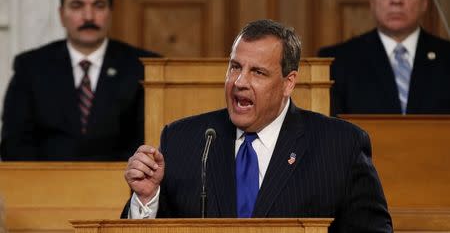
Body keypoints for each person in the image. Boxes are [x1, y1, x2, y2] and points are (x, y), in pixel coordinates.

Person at [122, 19, 393, 233]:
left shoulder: (340, 145)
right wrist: (146, 200)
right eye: (235, 67)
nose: (240, 81)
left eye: (258, 72)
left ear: (288, 82)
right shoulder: (183, 140)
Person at [0, 0, 160, 161]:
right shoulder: (31, 67)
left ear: (110, 12)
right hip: (45, 186)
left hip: (122, 186)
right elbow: (14, 143)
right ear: (61, 14)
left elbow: (152, 142)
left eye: (98, 5)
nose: (88, 16)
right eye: (77, 6)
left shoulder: (144, 67)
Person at [319, 0, 450, 116]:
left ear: (424, 2)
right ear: (372, 2)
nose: (396, 0)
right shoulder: (336, 61)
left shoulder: (446, 57)